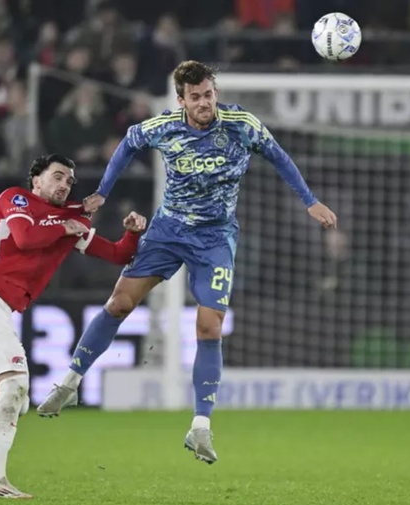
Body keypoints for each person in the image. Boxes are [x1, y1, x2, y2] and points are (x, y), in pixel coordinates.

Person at [36, 60, 337, 464]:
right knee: (119, 303)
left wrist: (310, 201)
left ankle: (200, 427)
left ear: (215, 93)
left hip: (215, 238)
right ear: (181, 100)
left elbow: (279, 156)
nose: (204, 103)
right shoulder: (164, 126)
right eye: (195, 97)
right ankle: (70, 383)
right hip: (168, 231)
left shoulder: (241, 125)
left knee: (209, 326)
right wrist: (104, 191)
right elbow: (128, 142)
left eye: (208, 95)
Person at [0, 154, 147, 498]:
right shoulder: (16, 199)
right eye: (57, 176)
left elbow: (117, 255)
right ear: (36, 180)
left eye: (69, 181)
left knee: (14, 401)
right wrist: (68, 222)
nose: (64, 184)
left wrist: (132, 234)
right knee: (15, 387)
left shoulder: (65, 223)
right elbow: (25, 237)